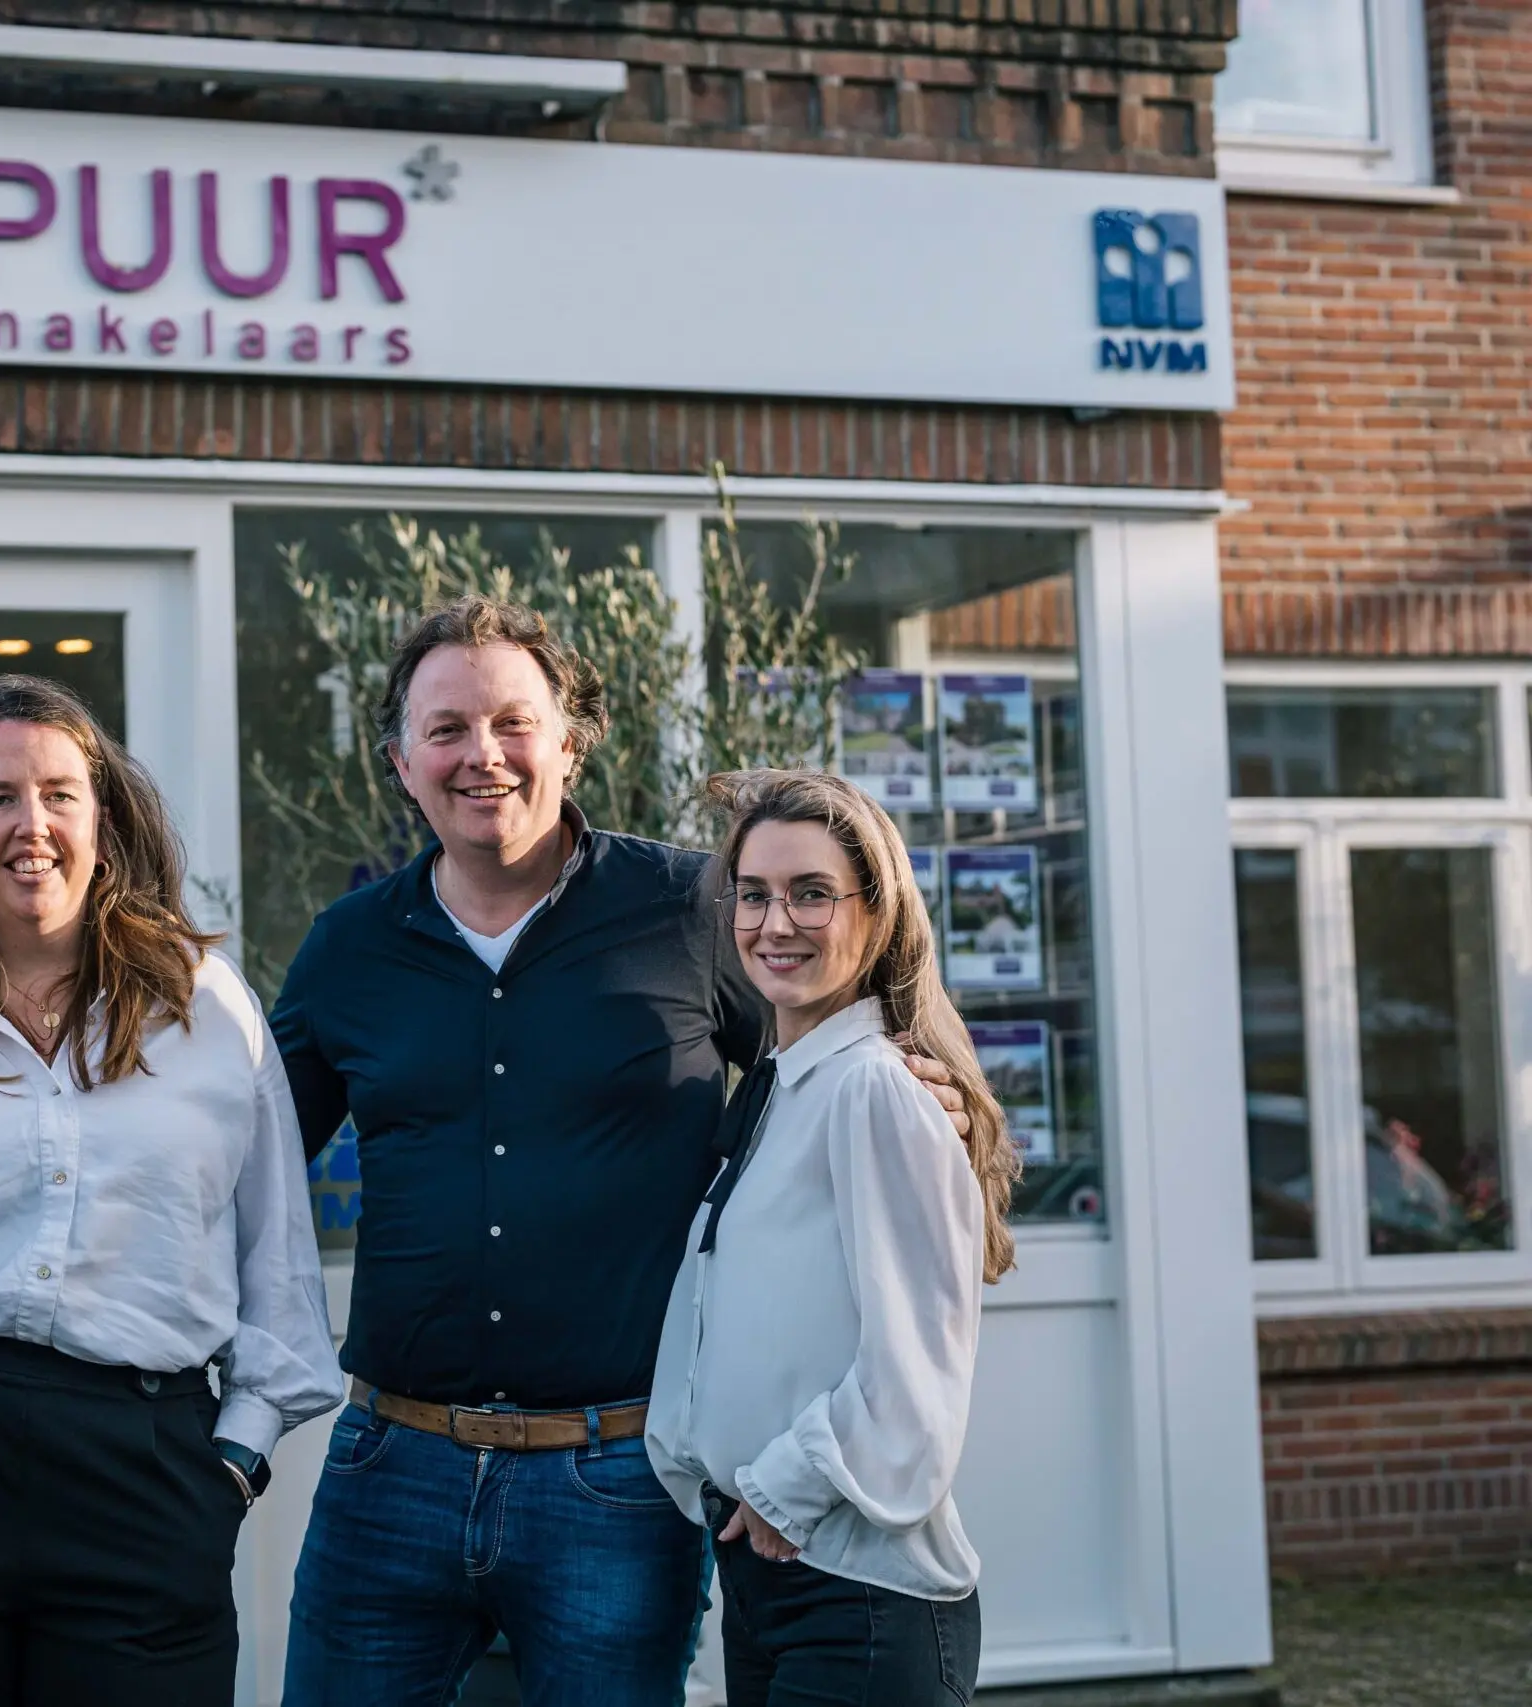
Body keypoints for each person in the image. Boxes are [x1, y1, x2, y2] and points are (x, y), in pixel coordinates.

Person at [270, 596, 966, 1707]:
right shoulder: (348, 951)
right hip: (387, 1469)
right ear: (400, 761)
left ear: (569, 739)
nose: (480, 755)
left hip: (617, 1478)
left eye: (511, 722)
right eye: (445, 729)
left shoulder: (692, 909)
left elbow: (821, 1052)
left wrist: (918, 1077)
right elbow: (243, 1167)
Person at [0, 674, 341, 1707]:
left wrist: (229, 1464)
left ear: (106, 819)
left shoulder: (210, 1012)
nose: (30, 824)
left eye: (59, 792)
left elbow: (274, 1261)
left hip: (142, 1476)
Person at [647, 768, 1015, 1706]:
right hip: (768, 1579)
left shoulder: (873, 1089)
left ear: (876, 910)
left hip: (858, 1594)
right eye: (755, 894)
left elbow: (917, 1372)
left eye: (812, 893)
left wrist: (782, 1489)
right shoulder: (779, 1083)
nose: (777, 924)